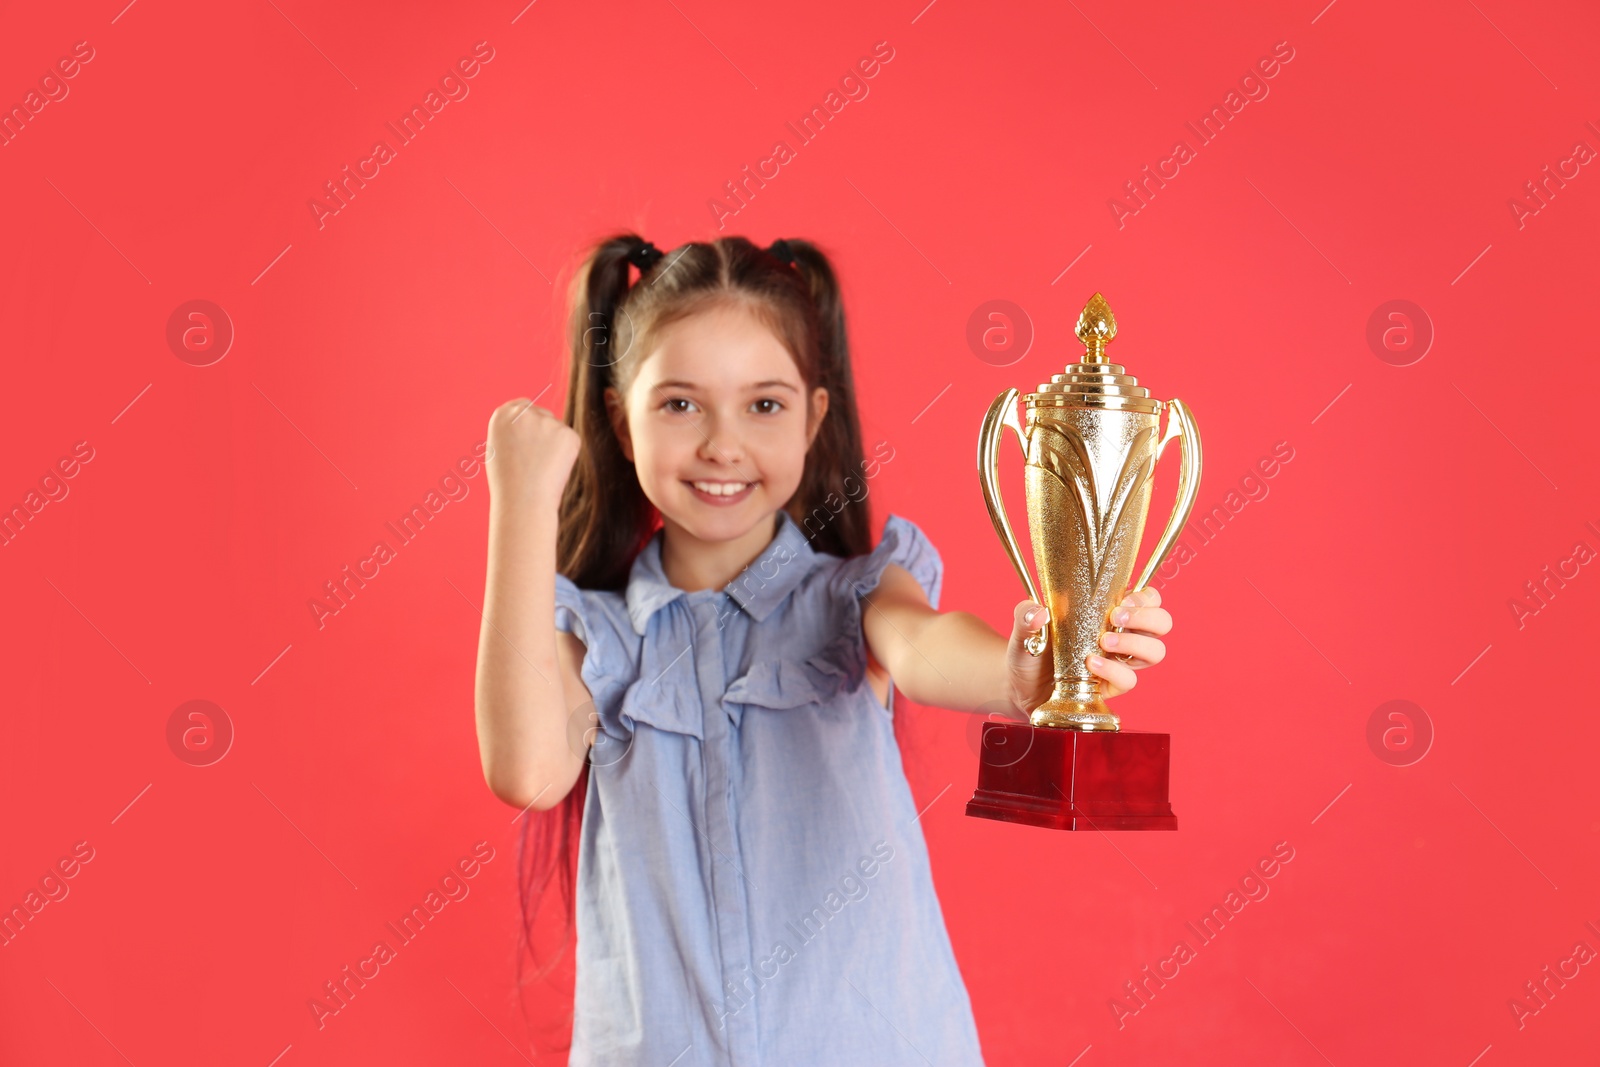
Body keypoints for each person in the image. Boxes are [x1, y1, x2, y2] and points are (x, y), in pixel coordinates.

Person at [472, 234, 1174, 1065]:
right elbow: (524, 768)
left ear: (814, 416)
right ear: (620, 421)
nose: (722, 445)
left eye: (763, 405)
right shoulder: (598, 636)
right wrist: (521, 501)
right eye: (680, 404)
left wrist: (1033, 667)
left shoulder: (856, 597)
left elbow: (926, 647)